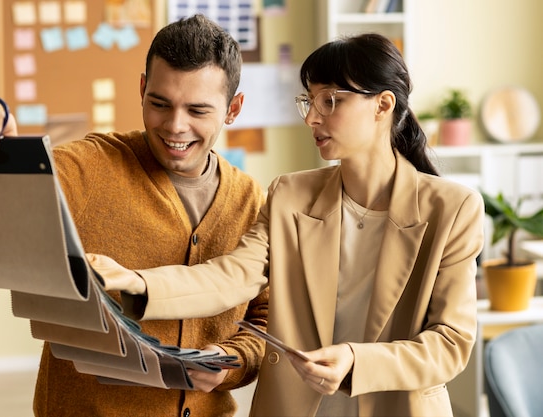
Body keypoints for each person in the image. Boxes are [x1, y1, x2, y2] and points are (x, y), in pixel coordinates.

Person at [85, 33, 486, 417]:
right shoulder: (289, 196)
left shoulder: (453, 209)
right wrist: (135, 281)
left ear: (383, 105)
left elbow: (449, 344)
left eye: (330, 100)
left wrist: (355, 360)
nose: (312, 117)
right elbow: (232, 276)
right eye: (309, 101)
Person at [0, 14, 269, 417]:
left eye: (198, 110)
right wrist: (1, 154)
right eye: (159, 103)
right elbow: (17, 209)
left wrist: (229, 361)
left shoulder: (251, 201)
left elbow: (266, 319)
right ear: (141, 89)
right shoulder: (92, 165)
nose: (175, 126)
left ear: (233, 108)